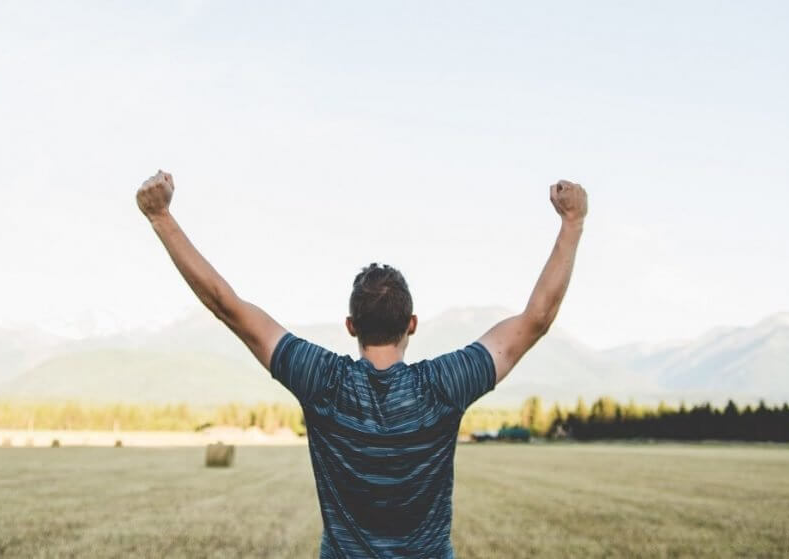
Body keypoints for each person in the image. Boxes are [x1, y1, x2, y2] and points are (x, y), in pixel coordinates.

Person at [136, 170, 587, 558]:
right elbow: (537, 319)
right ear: (412, 323)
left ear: (351, 325)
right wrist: (572, 222)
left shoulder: (322, 381)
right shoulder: (444, 385)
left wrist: (161, 218)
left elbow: (226, 305)